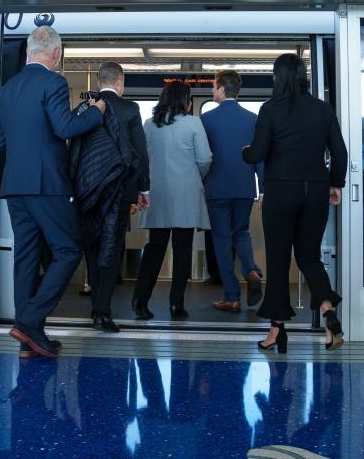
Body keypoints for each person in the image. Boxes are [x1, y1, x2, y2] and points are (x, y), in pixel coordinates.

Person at [0, 25, 105, 359]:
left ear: (30, 51)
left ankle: (31, 335)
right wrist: (95, 115)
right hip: (48, 185)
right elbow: (66, 127)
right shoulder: (54, 82)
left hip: (15, 186)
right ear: (55, 54)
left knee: (25, 258)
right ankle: (28, 322)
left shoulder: (7, 89)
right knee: (68, 251)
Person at [242, 53, 347, 353]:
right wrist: (335, 184)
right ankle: (328, 313)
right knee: (310, 257)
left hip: (281, 191)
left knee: (277, 259)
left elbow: (258, 153)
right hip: (315, 191)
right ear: (302, 77)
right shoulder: (323, 110)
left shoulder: (270, 109)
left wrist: (245, 152)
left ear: (279, 78)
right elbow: (340, 154)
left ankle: (277, 330)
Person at [73, 62, 150, 333]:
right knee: (112, 247)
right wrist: (143, 189)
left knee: (92, 247)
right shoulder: (130, 109)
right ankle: (102, 311)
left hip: (87, 192)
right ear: (120, 83)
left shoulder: (83, 109)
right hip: (118, 192)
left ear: (98, 82)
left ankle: (96, 304)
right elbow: (139, 152)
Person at [132, 80, 212, 320]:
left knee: (154, 249)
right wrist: (195, 176)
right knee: (183, 249)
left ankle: (140, 300)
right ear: (186, 102)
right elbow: (205, 158)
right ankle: (177, 305)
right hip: (186, 193)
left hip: (157, 193)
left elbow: (141, 159)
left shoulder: (149, 124)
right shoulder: (194, 123)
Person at [200, 69, 265, 313]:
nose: (212, 91)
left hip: (216, 188)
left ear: (221, 89)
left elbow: (202, 157)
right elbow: (259, 157)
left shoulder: (206, 120)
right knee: (241, 232)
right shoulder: (252, 119)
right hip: (244, 187)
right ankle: (251, 270)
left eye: (213, 86)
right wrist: (263, 189)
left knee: (221, 238)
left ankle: (231, 296)